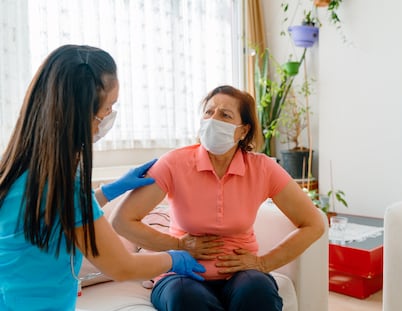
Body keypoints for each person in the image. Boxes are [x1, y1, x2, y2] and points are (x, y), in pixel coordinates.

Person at [0, 44, 205, 311]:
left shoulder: (16, 170)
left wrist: (110, 191)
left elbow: (54, 217)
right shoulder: (62, 189)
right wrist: (175, 258)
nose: (108, 117)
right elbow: (121, 266)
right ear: (80, 113)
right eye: (108, 108)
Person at [112, 85, 326, 311]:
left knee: (258, 292)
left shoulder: (262, 168)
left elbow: (313, 224)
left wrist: (264, 263)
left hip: (240, 274)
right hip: (181, 274)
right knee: (186, 298)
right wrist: (177, 245)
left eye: (224, 115)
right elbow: (122, 221)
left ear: (243, 131)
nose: (213, 119)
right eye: (208, 112)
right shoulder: (174, 163)